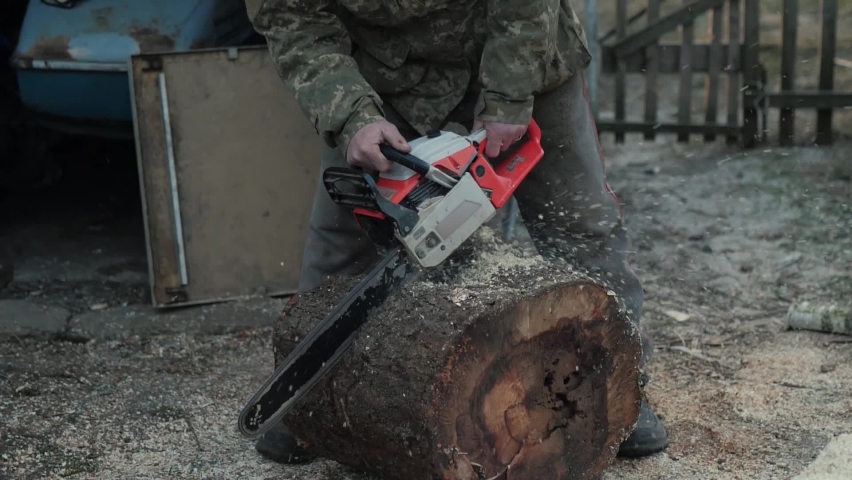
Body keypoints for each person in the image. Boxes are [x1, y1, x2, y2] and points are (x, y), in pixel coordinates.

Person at [244, 0, 669, 463]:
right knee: (341, 244)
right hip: (379, 74)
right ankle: (306, 400)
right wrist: (353, 117)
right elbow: (293, 19)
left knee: (579, 222)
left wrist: (508, 95)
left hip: (518, 45)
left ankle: (619, 383)